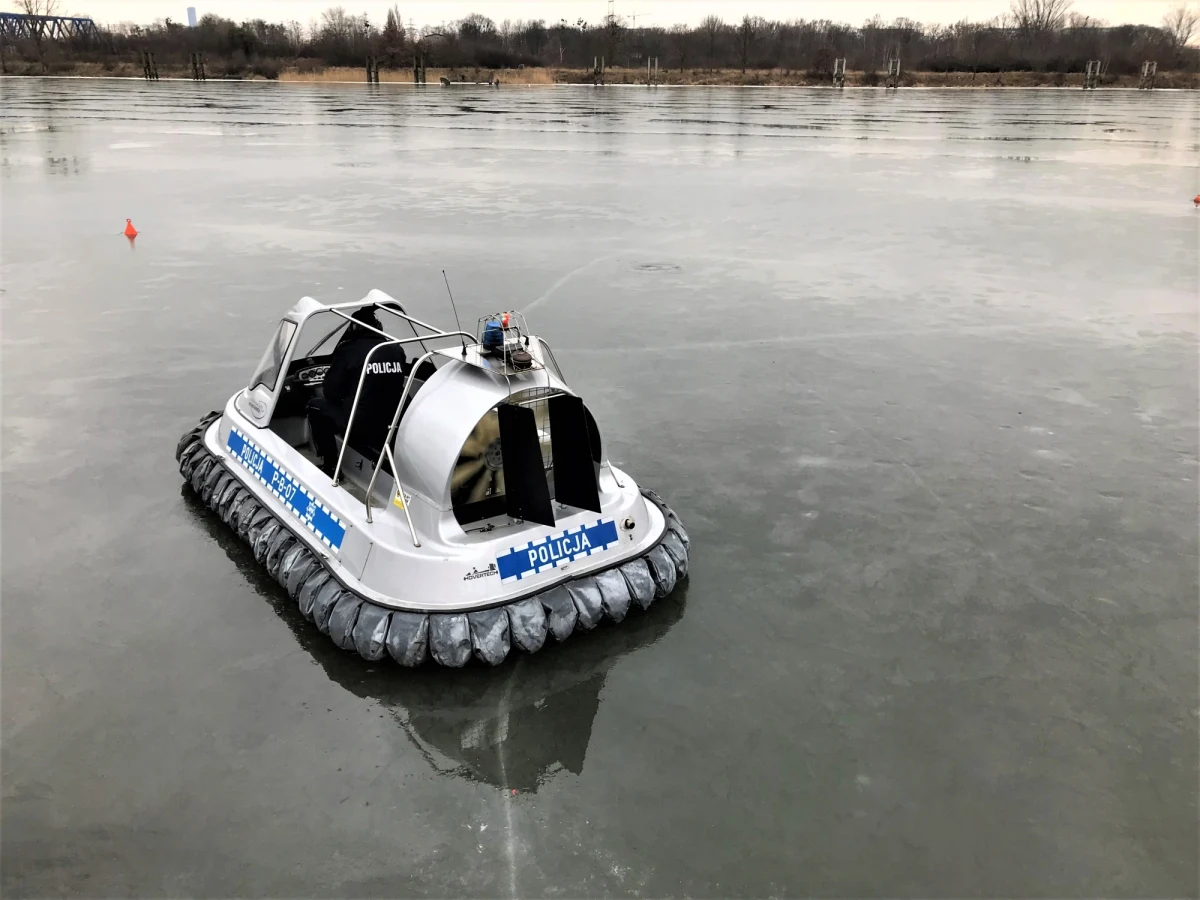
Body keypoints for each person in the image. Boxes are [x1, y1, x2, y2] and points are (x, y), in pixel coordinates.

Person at [307, 306, 407, 477]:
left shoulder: (348, 350)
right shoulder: (396, 350)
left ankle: (331, 467)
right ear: (378, 326)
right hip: (391, 423)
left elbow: (331, 393)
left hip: (359, 427)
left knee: (315, 406)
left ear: (354, 328)